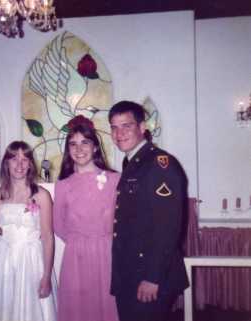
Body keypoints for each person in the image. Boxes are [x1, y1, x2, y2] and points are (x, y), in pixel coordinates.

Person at [108, 101, 189, 321]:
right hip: (133, 272)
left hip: (150, 275)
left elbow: (167, 225)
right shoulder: (134, 163)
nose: (119, 133)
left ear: (142, 127)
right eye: (114, 127)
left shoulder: (159, 164)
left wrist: (152, 277)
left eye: (126, 125)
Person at [53, 115, 120, 321]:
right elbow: (58, 225)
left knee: (105, 304)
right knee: (78, 307)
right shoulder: (63, 184)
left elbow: (122, 219)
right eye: (73, 144)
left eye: (85, 142)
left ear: (95, 147)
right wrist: (79, 241)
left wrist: (102, 240)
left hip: (106, 252)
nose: (79, 149)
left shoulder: (114, 179)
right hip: (76, 255)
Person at [0, 141, 57, 321]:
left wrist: (46, 276)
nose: (19, 164)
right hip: (5, 262)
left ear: (31, 163)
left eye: (25, 159)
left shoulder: (41, 195)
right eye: (14, 159)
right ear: (6, 163)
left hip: (32, 262)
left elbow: (48, 238)